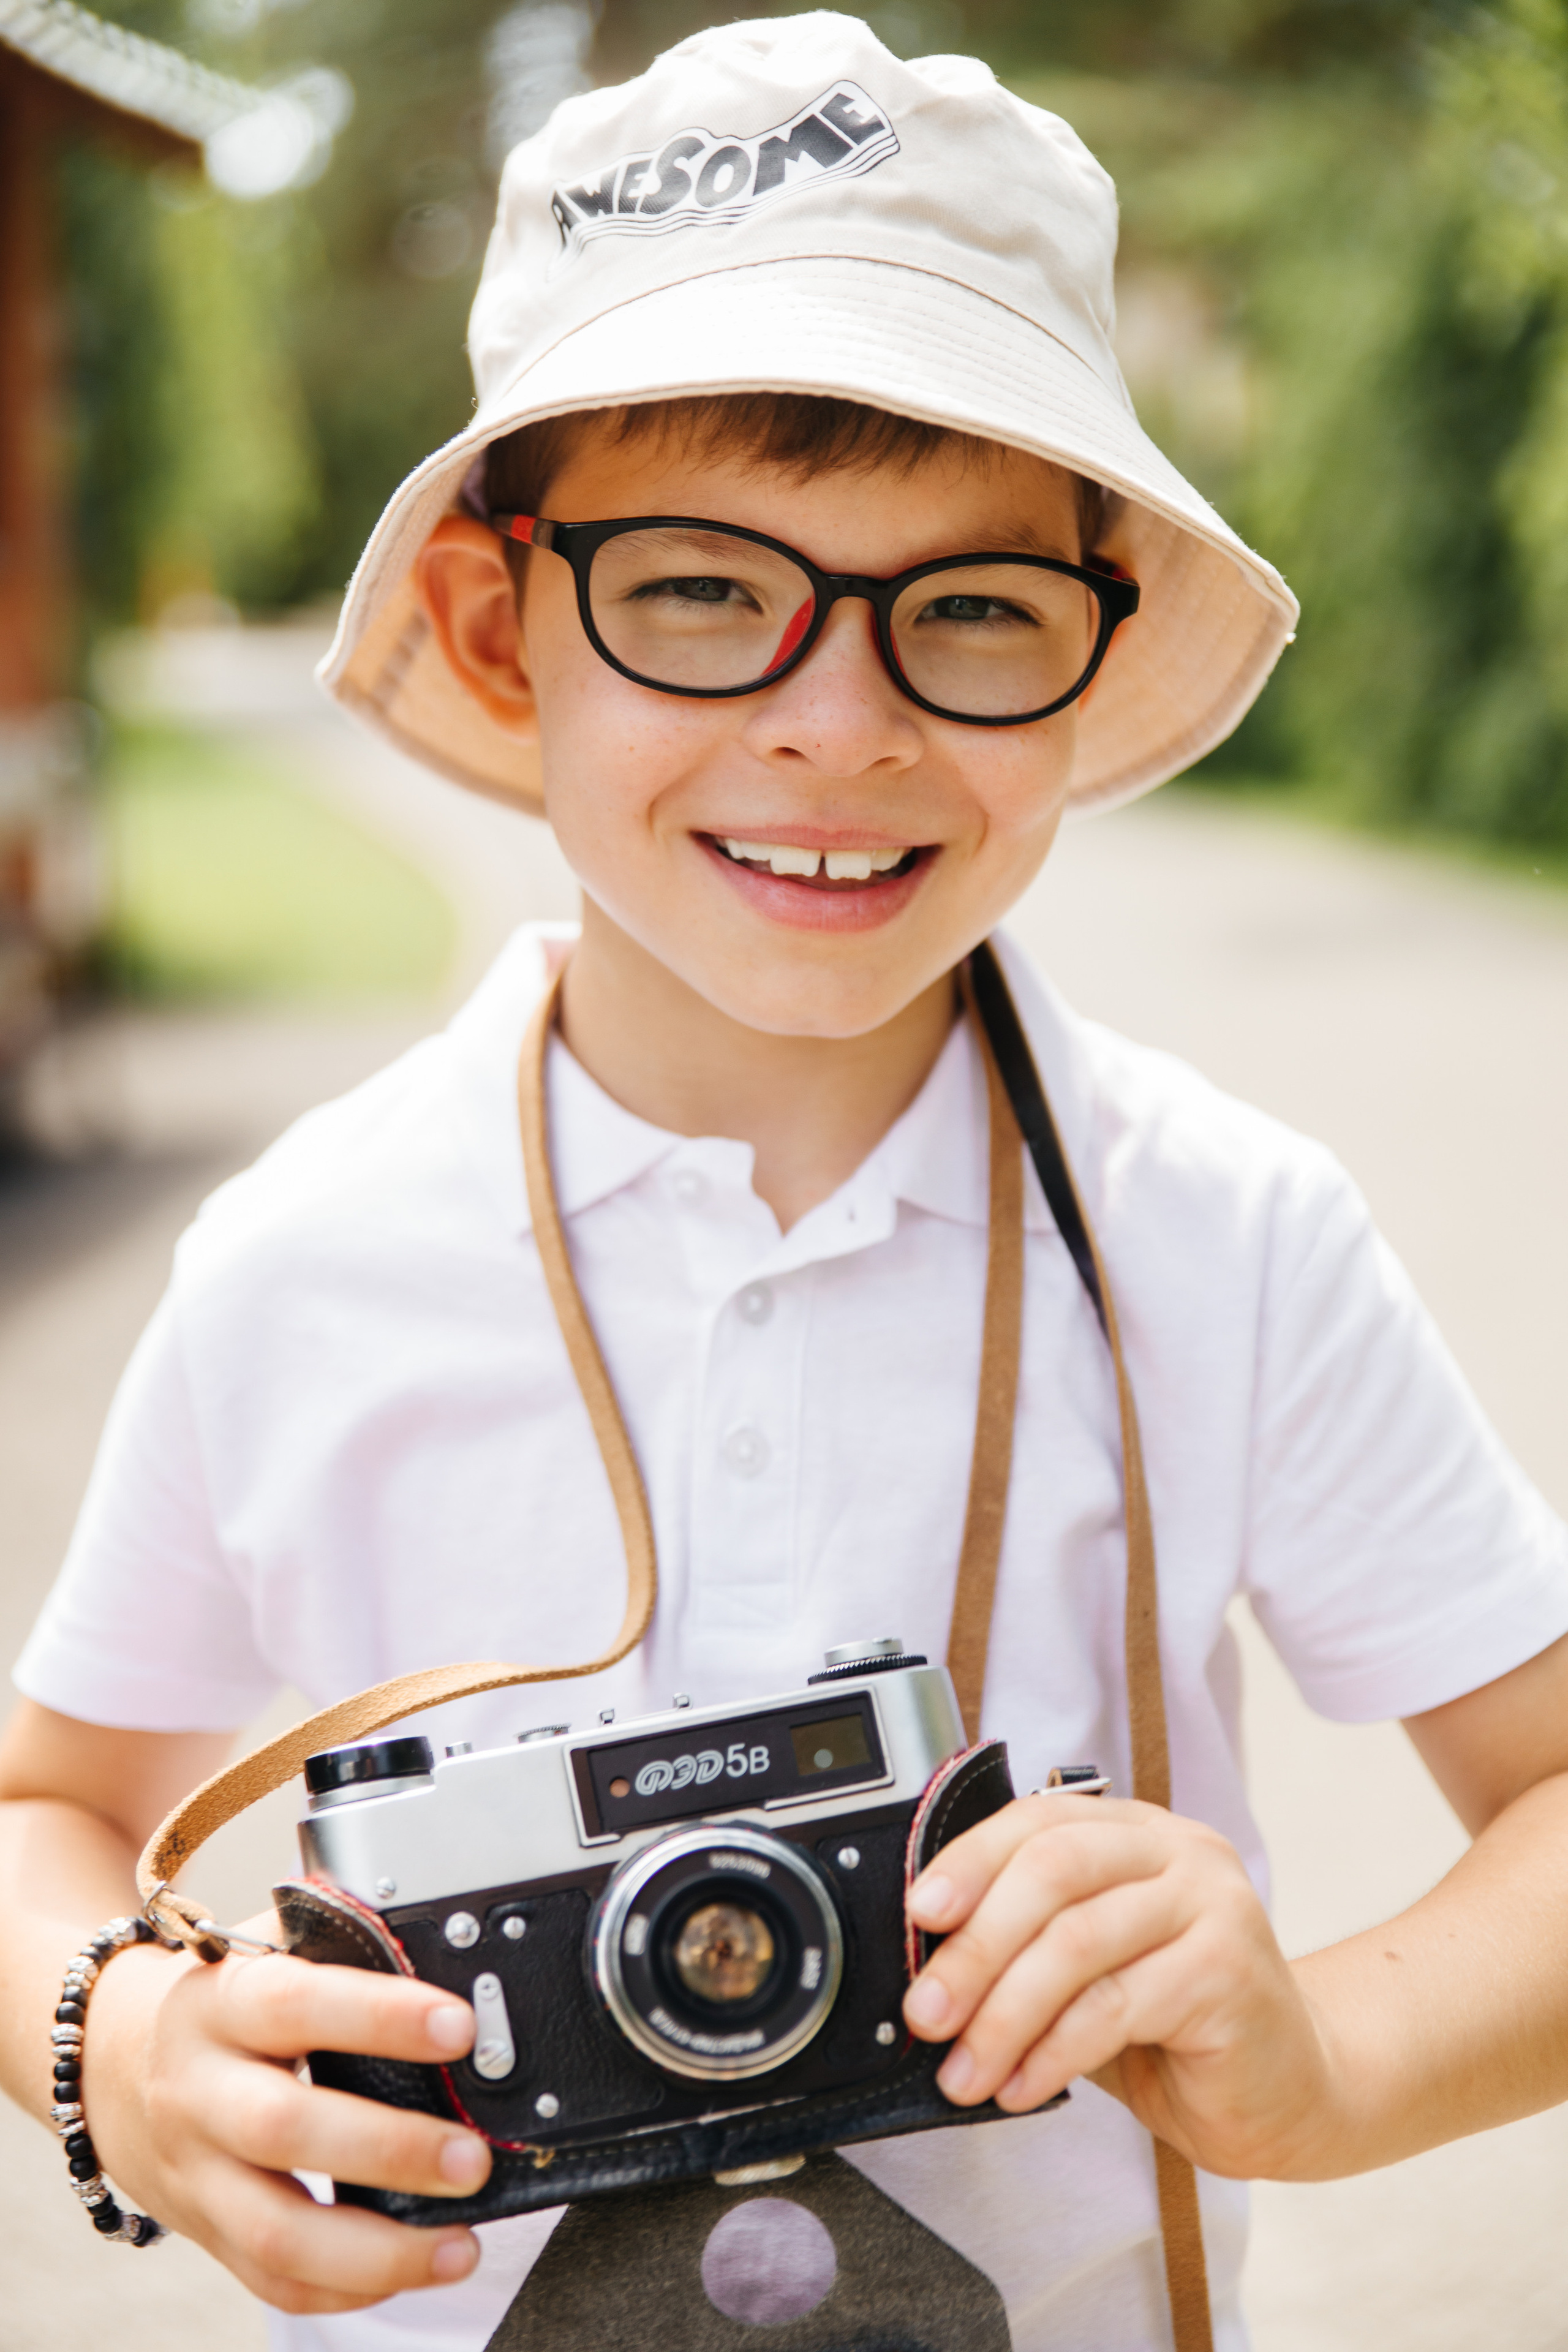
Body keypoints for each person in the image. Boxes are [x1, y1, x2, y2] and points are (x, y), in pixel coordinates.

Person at [2, 14, 1566, 2351]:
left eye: (972, 610)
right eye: (706, 594)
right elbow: (52, 1808)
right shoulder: (300, 1264)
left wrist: (1322, 2057)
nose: (841, 720)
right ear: (491, 628)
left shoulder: (1222, 1236)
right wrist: (107, 2044)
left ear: (1088, 654)